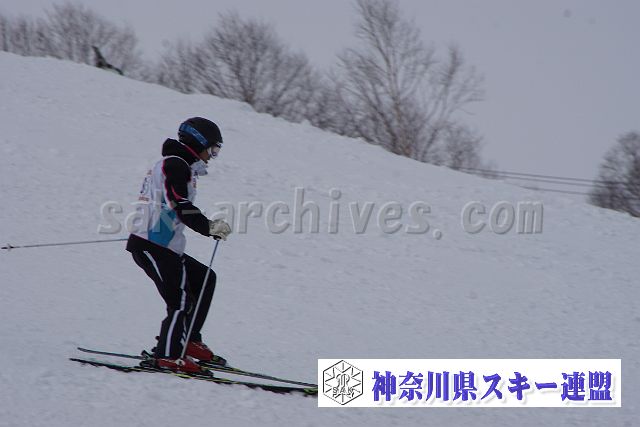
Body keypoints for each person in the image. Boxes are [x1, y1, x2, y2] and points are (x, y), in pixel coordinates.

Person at [126, 117, 232, 373]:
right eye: (212, 150)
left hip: (164, 244)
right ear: (199, 142)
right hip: (152, 244)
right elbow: (179, 204)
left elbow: (171, 206)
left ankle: (189, 340)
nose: (212, 156)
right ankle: (169, 355)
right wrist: (208, 227)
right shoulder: (175, 164)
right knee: (180, 300)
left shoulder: (181, 165)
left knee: (204, 279)